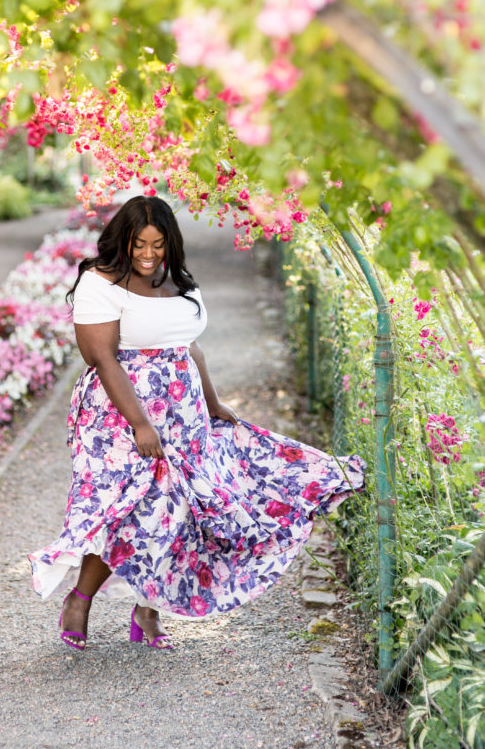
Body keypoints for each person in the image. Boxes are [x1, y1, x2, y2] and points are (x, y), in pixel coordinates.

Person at [28, 195, 365, 651]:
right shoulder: (99, 283)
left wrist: (213, 401)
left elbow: (189, 347)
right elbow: (103, 359)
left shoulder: (176, 281)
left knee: (177, 509)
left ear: (171, 244)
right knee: (127, 508)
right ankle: (80, 599)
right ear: (122, 241)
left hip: (183, 412)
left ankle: (148, 607)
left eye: (158, 245)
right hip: (118, 417)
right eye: (139, 245)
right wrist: (141, 424)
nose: (149, 255)